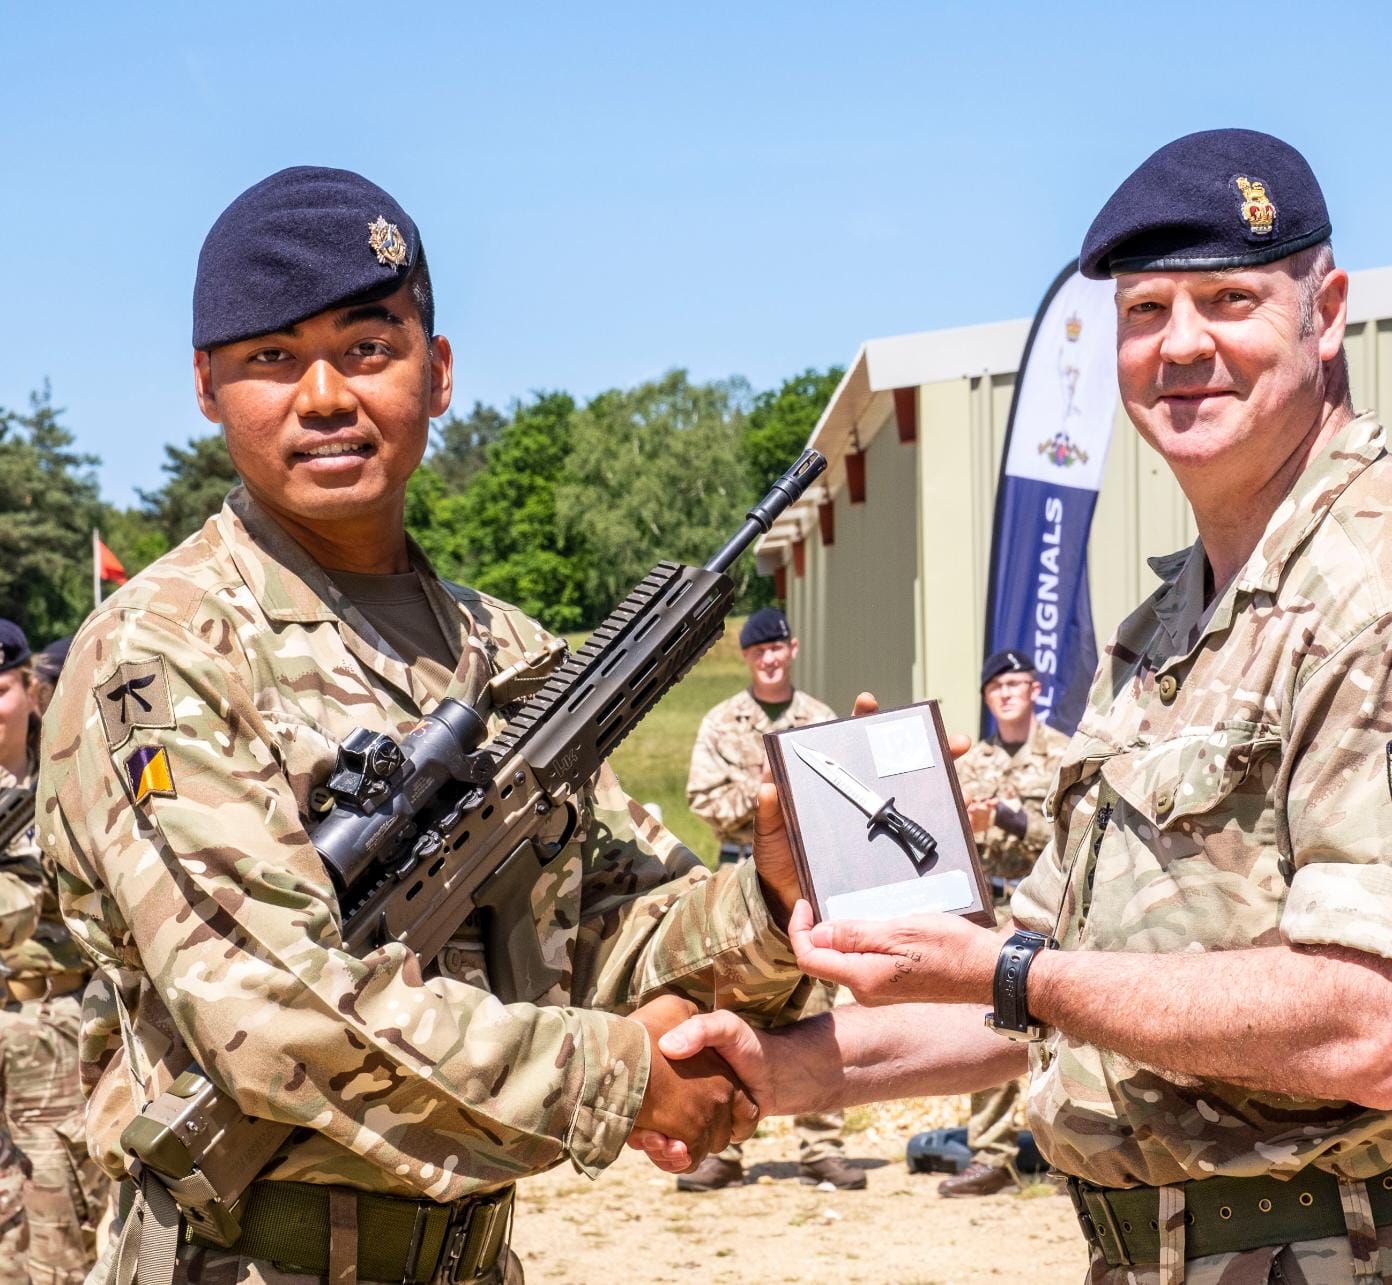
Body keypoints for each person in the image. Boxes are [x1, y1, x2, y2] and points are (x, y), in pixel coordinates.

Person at [644, 129, 1392, 1282]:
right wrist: (787, 1070)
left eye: (1229, 300)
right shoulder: (1179, 621)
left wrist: (1015, 976)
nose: (1182, 346)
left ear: (1323, 311)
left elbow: (1368, 1026)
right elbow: (1039, 978)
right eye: (1145, 312)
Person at [36, 167, 816, 1285]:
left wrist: (772, 901)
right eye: (269, 357)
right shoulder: (158, 653)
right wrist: (627, 1077)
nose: (321, 395)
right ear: (207, 388)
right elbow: (273, 1015)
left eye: (366, 346)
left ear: (436, 372)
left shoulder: (513, 653)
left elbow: (608, 928)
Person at [679, 608, 861, 1191]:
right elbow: (703, 798)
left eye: (779, 648)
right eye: (760, 652)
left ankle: (821, 1147)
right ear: (747, 658)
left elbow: (842, 801)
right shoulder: (721, 721)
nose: (771, 658)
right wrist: (767, 793)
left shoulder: (819, 720)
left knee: (818, 1011)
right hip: (739, 884)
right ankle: (722, 1149)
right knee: (733, 1009)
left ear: (793, 649)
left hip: (808, 886)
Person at [0, 620, 107, 1284]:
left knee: (63, 1213)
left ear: (30, 690)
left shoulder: (71, 775)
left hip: (55, 1029)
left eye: (1, 688)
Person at [940, 649, 1069, 1198]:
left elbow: (1074, 831)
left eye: (1018, 683)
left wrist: (1010, 819)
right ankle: (991, 1152)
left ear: (1035, 689)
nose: (1009, 693)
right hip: (993, 908)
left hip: (1053, 908)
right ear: (988, 697)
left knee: (1068, 1028)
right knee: (991, 1021)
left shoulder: (1065, 753)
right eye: (998, 686)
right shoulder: (971, 765)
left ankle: (1071, 1155)